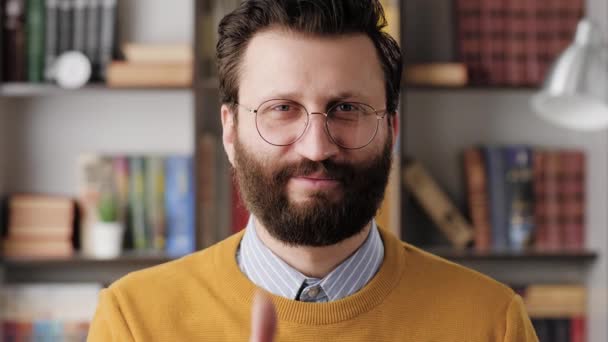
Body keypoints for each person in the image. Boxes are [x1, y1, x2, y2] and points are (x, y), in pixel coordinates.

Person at [87, 1, 539, 341]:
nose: (317, 146)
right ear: (231, 130)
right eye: (281, 108)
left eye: (347, 108)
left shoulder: (491, 321)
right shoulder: (133, 320)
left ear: (392, 128)